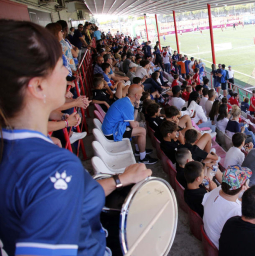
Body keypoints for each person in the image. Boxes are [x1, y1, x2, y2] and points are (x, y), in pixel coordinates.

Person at [0, 20, 152, 256]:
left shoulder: (15, 150)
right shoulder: (53, 166)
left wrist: (120, 180)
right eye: (60, 63)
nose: (67, 70)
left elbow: (70, 202)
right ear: (38, 87)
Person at [102, 84, 157, 164]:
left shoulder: (126, 101)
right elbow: (133, 125)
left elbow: (132, 120)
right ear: (136, 95)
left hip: (112, 127)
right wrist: (136, 123)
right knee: (142, 131)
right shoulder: (127, 105)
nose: (142, 95)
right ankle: (143, 158)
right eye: (141, 93)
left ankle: (138, 150)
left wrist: (136, 108)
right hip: (111, 132)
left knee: (137, 126)